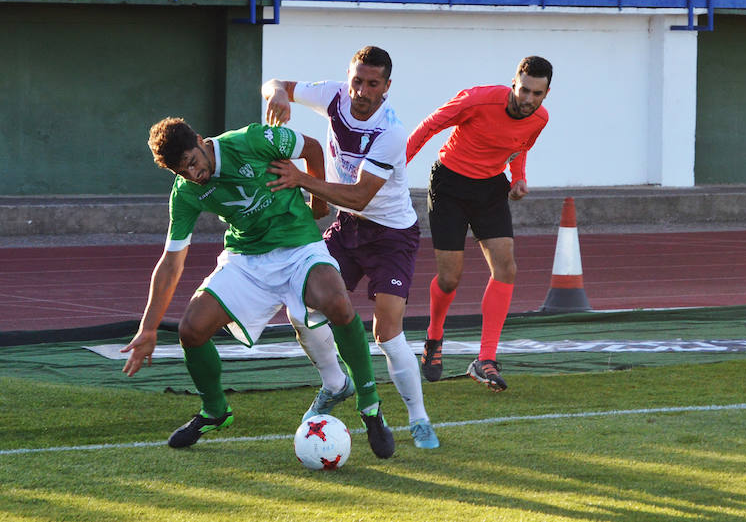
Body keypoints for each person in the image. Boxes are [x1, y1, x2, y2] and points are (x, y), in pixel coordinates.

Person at [121, 117, 395, 459]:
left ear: (202, 141)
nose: (193, 175)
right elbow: (172, 261)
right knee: (191, 329)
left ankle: (369, 406)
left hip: (298, 244)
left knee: (335, 302)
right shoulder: (186, 192)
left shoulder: (252, 141)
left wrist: (318, 198)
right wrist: (148, 328)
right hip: (247, 259)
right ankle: (214, 411)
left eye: (192, 162)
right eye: (181, 172)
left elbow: (310, 146)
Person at [262, 45, 439, 449]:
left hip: (391, 234)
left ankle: (419, 418)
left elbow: (360, 195)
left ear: (386, 87)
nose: (361, 90)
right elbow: (276, 82)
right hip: (347, 227)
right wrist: (276, 93)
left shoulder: (391, 132)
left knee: (387, 332)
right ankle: (335, 384)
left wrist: (302, 179)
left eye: (371, 84)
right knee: (302, 306)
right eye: (356, 80)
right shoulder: (334, 94)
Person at [405, 55, 553, 392]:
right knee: (450, 277)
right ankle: (434, 337)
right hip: (450, 184)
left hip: (490, 187)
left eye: (537, 94)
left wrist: (518, 178)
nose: (528, 99)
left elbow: (520, 147)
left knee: (507, 268)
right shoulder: (478, 99)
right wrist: (394, 167)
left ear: (546, 93)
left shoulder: (539, 118)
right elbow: (429, 126)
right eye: (524, 90)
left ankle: (485, 358)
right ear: (514, 83)